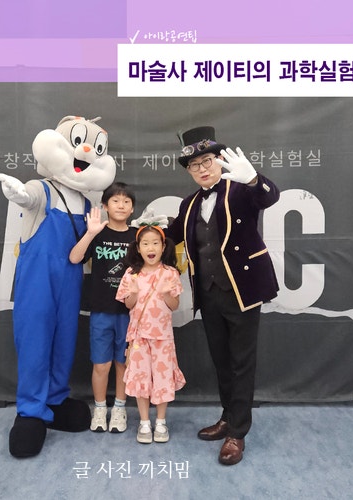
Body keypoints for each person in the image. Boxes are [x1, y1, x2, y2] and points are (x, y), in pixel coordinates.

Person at [166, 126, 280, 465]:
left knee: (242, 362)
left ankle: (238, 433)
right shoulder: (189, 203)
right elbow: (171, 235)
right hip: (208, 292)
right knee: (222, 361)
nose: (202, 169)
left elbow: (270, 197)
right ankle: (228, 417)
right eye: (194, 165)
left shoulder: (241, 189)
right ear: (189, 171)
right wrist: (144, 229)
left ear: (219, 160)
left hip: (242, 290)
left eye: (207, 161)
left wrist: (254, 179)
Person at [69, 182, 137, 433]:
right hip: (100, 310)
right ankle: (100, 408)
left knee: (123, 364)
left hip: (129, 312)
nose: (121, 205)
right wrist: (89, 233)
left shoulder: (137, 236)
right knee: (101, 365)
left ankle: (119, 409)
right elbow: (75, 258)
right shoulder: (97, 233)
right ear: (105, 206)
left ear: (132, 209)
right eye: (115, 201)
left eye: (127, 202)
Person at [115, 225, 186, 444]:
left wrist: (166, 294)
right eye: (145, 244)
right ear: (138, 248)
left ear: (163, 247)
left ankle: (161, 421)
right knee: (141, 378)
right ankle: (144, 422)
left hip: (163, 337)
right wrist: (133, 293)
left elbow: (174, 305)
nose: (151, 248)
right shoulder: (131, 274)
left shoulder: (170, 273)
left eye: (155, 243)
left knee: (163, 379)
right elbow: (128, 304)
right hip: (139, 337)